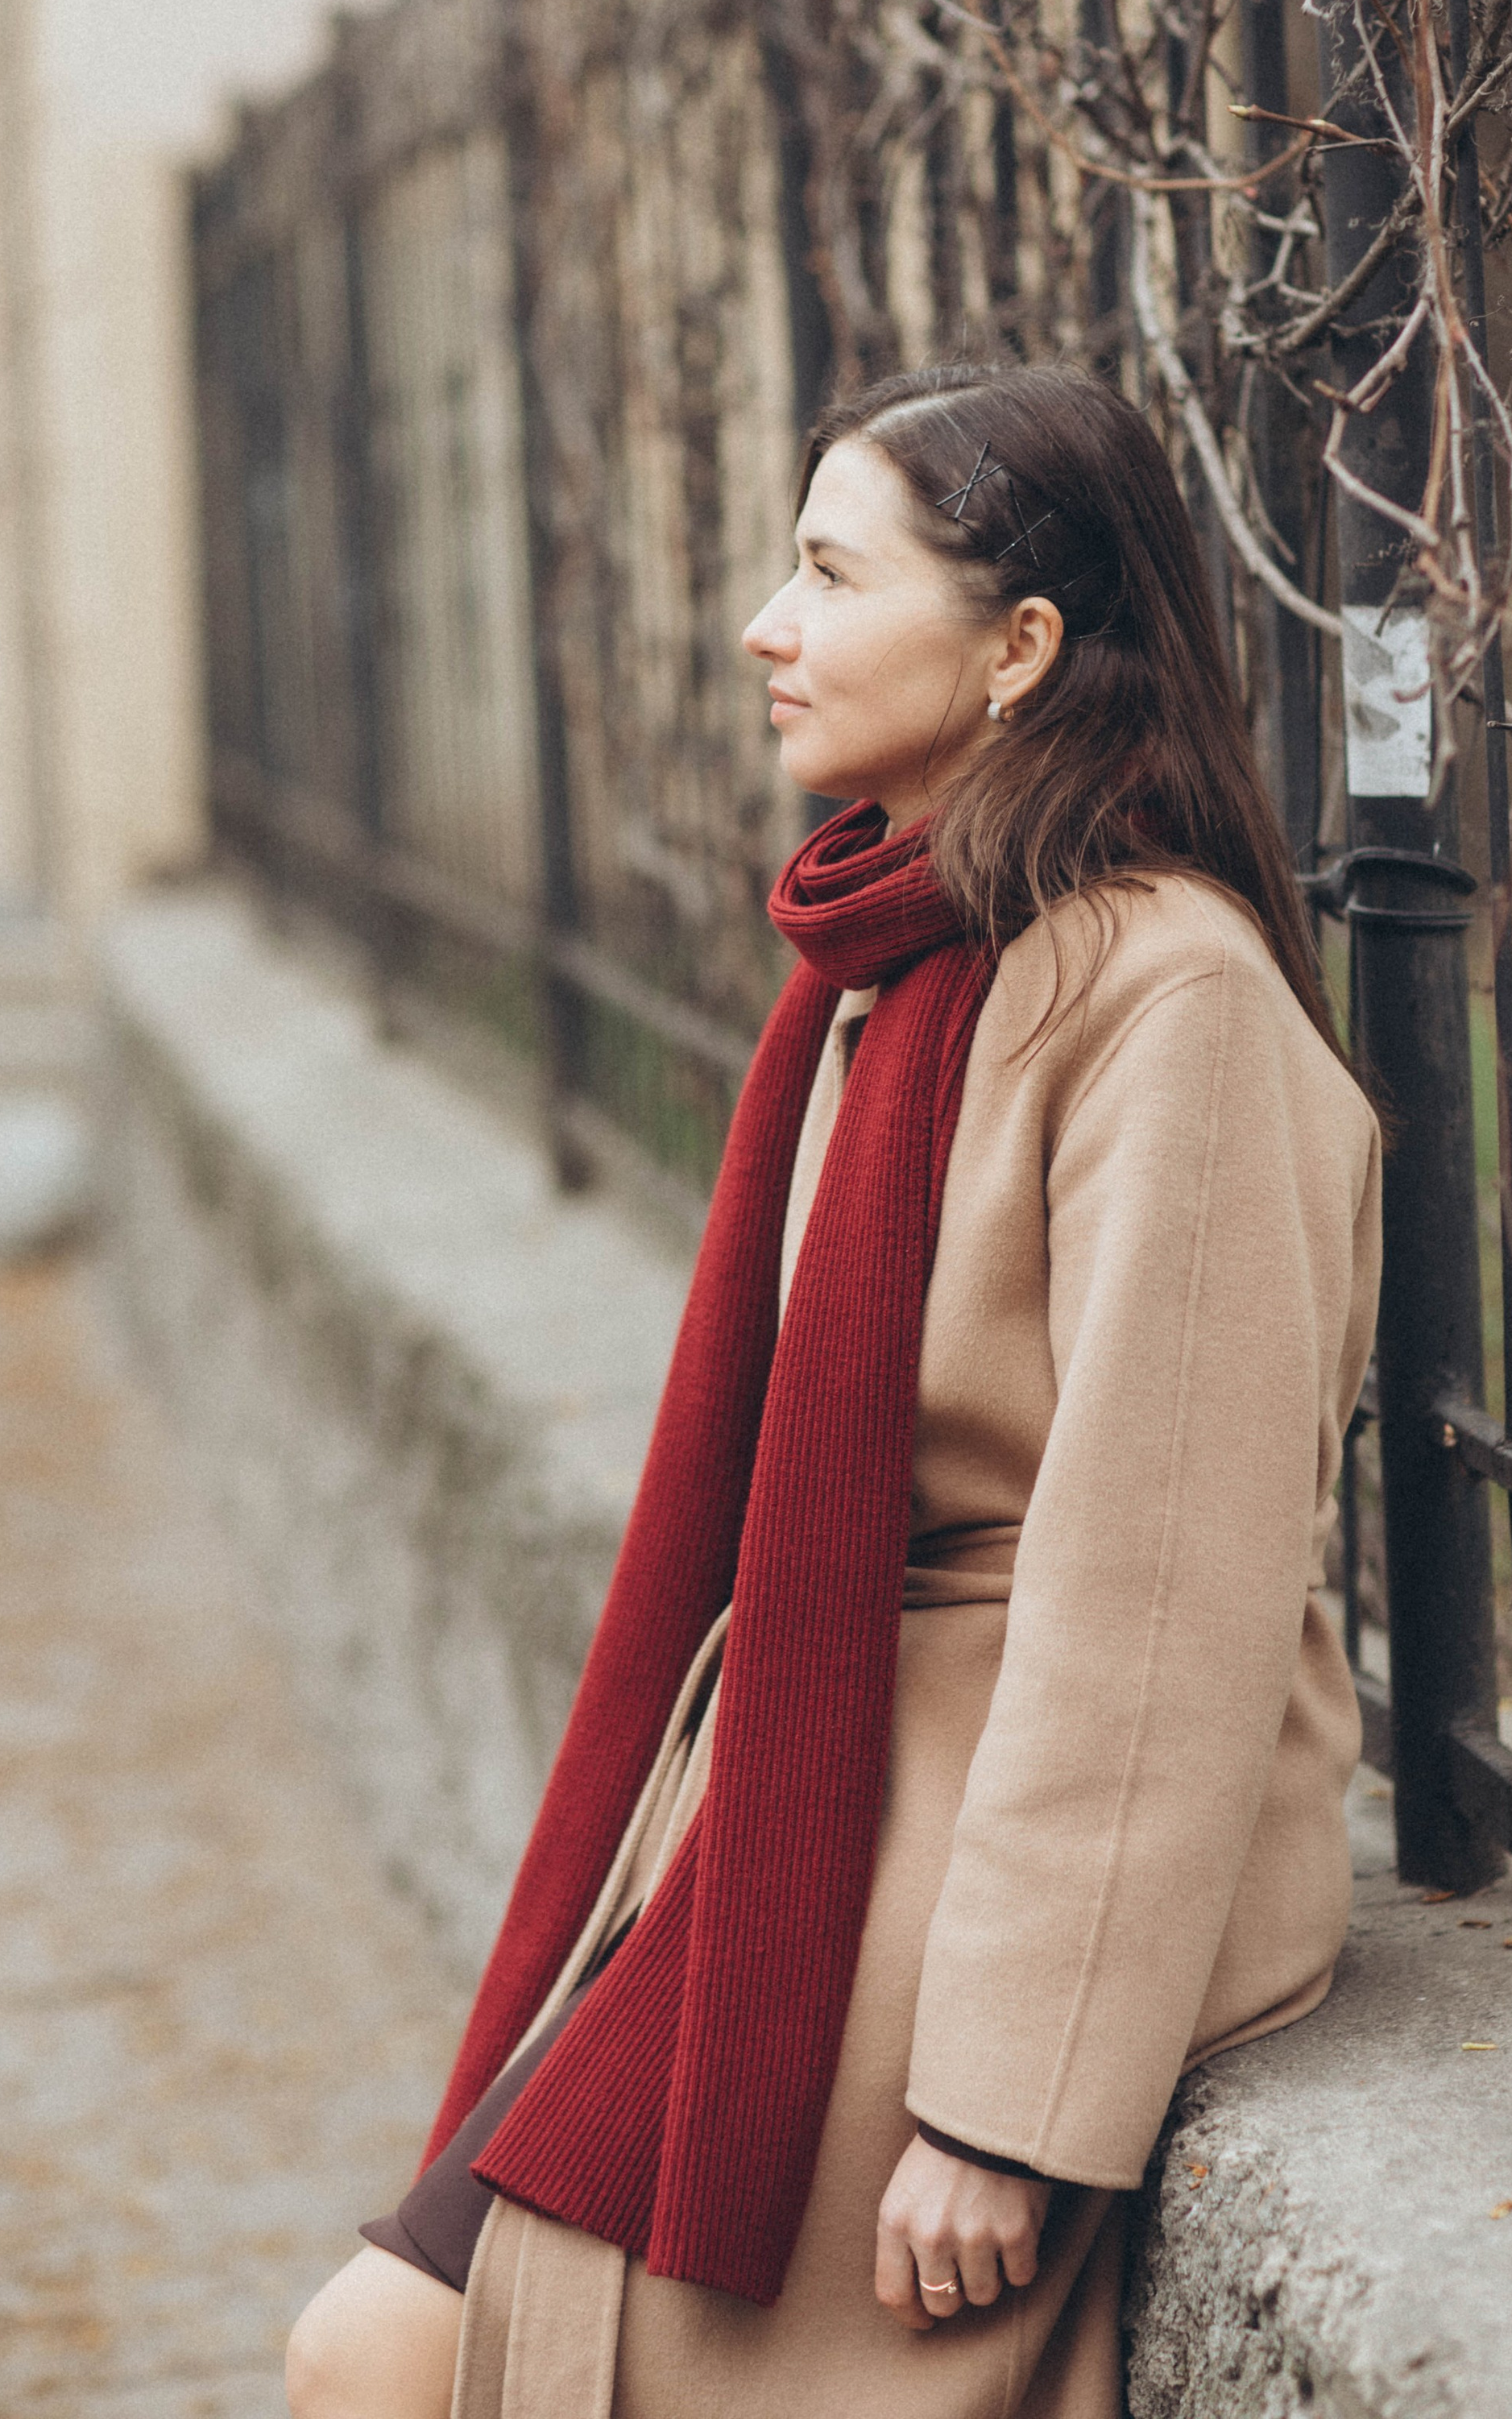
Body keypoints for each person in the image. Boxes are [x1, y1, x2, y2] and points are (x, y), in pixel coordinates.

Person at [286, 362, 1380, 2419]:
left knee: (396, 2361)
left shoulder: (1173, 1005)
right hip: (811, 1771)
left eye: (823, 571)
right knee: (377, 2354)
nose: (763, 630)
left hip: (1004, 1837)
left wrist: (1009, 2101)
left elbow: (1162, 1590)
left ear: (1016, 651)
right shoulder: (902, 964)